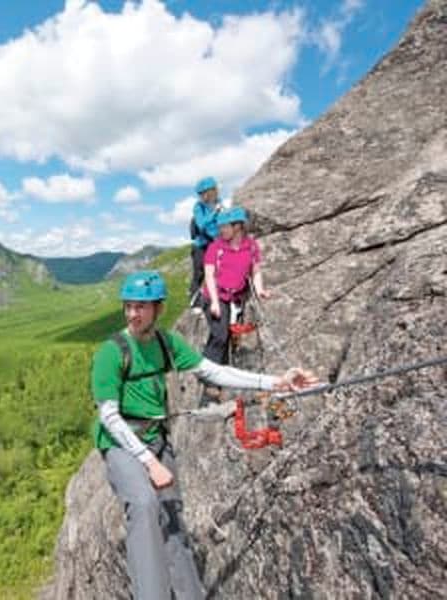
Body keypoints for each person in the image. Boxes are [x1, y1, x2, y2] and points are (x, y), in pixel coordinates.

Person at [91, 270, 317, 600]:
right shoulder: (112, 352)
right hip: (121, 443)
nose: (132, 314)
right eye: (128, 306)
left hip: (155, 437)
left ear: (158, 308)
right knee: (143, 504)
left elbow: (214, 372)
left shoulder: (166, 343)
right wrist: (148, 462)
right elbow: (109, 415)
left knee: (171, 516)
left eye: (141, 307)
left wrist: (276, 382)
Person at [201, 206, 268, 372]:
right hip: (213, 295)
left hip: (234, 297)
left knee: (224, 335)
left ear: (237, 226)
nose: (220, 230)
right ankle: (208, 373)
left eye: (224, 226)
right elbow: (209, 275)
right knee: (220, 335)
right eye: (220, 227)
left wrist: (260, 290)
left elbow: (255, 271)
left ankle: (219, 370)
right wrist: (215, 302)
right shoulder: (215, 247)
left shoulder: (251, 246)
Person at [188, 177, 223, 312]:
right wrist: (215, 213)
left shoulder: (219, 203)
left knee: (215, 272)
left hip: (215, 244)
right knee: (199, 273)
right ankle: (195, 302)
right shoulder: (198, 207)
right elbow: (201, 224)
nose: (202, 196)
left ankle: (212, 298)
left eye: (204, 192)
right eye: (201, 193)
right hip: (201, 246)